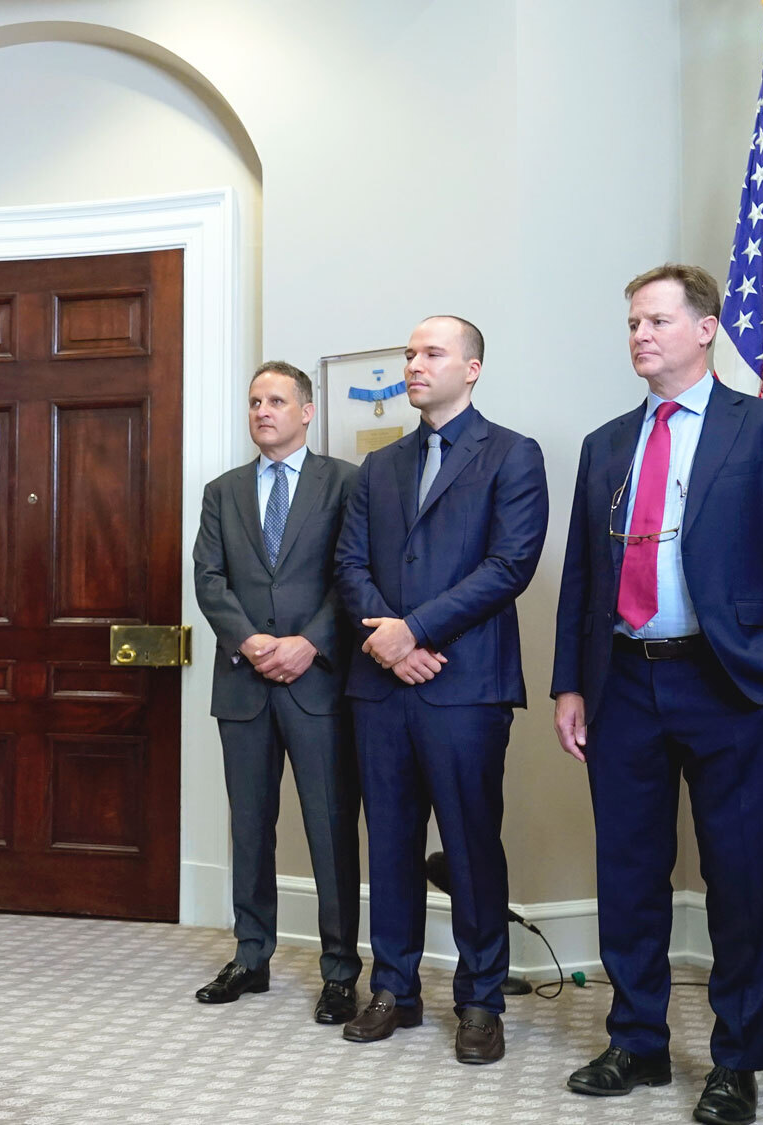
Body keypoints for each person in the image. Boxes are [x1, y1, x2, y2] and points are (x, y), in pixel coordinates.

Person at [550, 264, 763, 1125]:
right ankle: (637, 1039)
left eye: (658, 320)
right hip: (624, 679)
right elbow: (581, 576)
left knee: (738, 875)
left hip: (728, 682)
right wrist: (570, 683)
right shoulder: (605, 444)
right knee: (628, 870)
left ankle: (736, 1060)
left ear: (706, 329)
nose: (640, 335)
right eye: (633, 322)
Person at [332, 315, 547, 1062]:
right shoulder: (378, 468)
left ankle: (481, 998)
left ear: (473, 367)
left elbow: (509, 565)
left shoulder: (513, 455)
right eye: (409, 353)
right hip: (382, 688)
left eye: (431, 353)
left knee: (469, 846)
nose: (413, 364)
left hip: (467, 687)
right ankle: (394, 987)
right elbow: (349, 565)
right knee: (389, 843)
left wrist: (412, 631)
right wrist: (390, 645)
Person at [190, 360, 363, 1024]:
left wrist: (309, 642)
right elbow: (209, 579)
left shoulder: (343, 482)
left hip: (316, 683)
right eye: (255, 401)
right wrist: (250, 641)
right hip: (243, 683)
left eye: (277, 400)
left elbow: (350, 575)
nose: (263, 410)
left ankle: (341, 969)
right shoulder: (223, 490)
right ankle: (251, 954)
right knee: (250, 828)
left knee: (329, 829)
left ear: (307, 410)